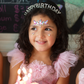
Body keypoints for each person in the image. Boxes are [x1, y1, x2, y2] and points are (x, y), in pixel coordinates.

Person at [7, 0, 78, 84]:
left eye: (47, 29)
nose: (40, 36)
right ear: (27, 30)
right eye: (34, 28)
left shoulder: (63, 62)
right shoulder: (19, 57)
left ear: (59, 32)